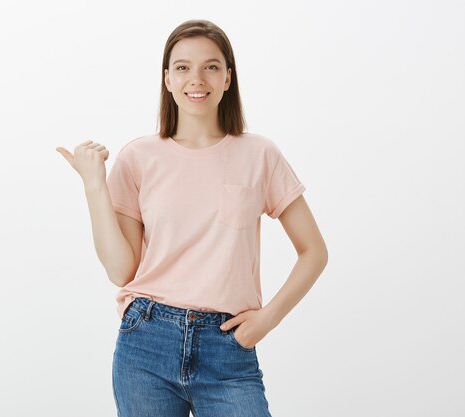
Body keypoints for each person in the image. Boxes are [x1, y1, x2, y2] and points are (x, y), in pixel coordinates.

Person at [56, 18, 328, 417]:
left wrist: (267, 320)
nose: (196, 78)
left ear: (227, 78)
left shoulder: (260, 155)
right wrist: (94, 185)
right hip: (146, 344)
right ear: (167, 79)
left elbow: (314, 251)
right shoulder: (138, 158)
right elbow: (121, 270)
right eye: (182, 67)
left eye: (211, 66)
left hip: (228, 349)